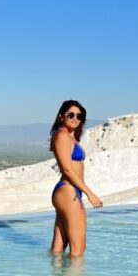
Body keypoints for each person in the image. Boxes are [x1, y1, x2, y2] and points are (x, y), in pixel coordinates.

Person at [49, 100, 102, 257]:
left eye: (79, 116)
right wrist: (89, 194)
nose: (75, 118)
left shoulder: (70, 138)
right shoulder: (62, 136)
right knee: (78, 251)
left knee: (58, 250)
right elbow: (66, 169)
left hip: (68, 192)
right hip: (68, 191)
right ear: (61, 116)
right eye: (70, 114)